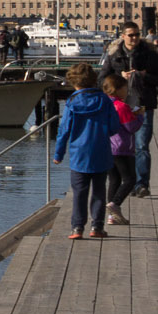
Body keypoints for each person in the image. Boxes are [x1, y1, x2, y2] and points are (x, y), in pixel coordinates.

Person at [54, 62, 121, 239]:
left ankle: (77, 228)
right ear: (94, 80)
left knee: (79, 193)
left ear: (73, 82)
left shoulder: (72, 102)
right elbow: (115, 126)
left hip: (79, 154)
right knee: (99, 191)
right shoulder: (105, 100)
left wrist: (58, 154)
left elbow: (64, 130)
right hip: (101, 151)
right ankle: (97, 227)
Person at [104, 22, 158, 197]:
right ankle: (126, 180)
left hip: (141, 102)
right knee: (121, 144)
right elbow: (102, 79)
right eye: (131, 35)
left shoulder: (149, 55)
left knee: (141, 145)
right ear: (123, 36)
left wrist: (145, 75)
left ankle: (141, 184)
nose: (134, 38)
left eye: (137, 34)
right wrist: (119, 77)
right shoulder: (114, 55)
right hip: (119, 105)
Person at [103, 72, 141, 225]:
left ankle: (112, 216)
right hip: (122, 148)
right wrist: (139, 115)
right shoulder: (122, 106)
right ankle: (115, 204)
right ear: (118, 89)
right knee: (130, 179)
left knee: (114, 180)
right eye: (125, 88)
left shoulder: (105, 104)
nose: (127, 91)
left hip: (108, 147)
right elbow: (131, 127)